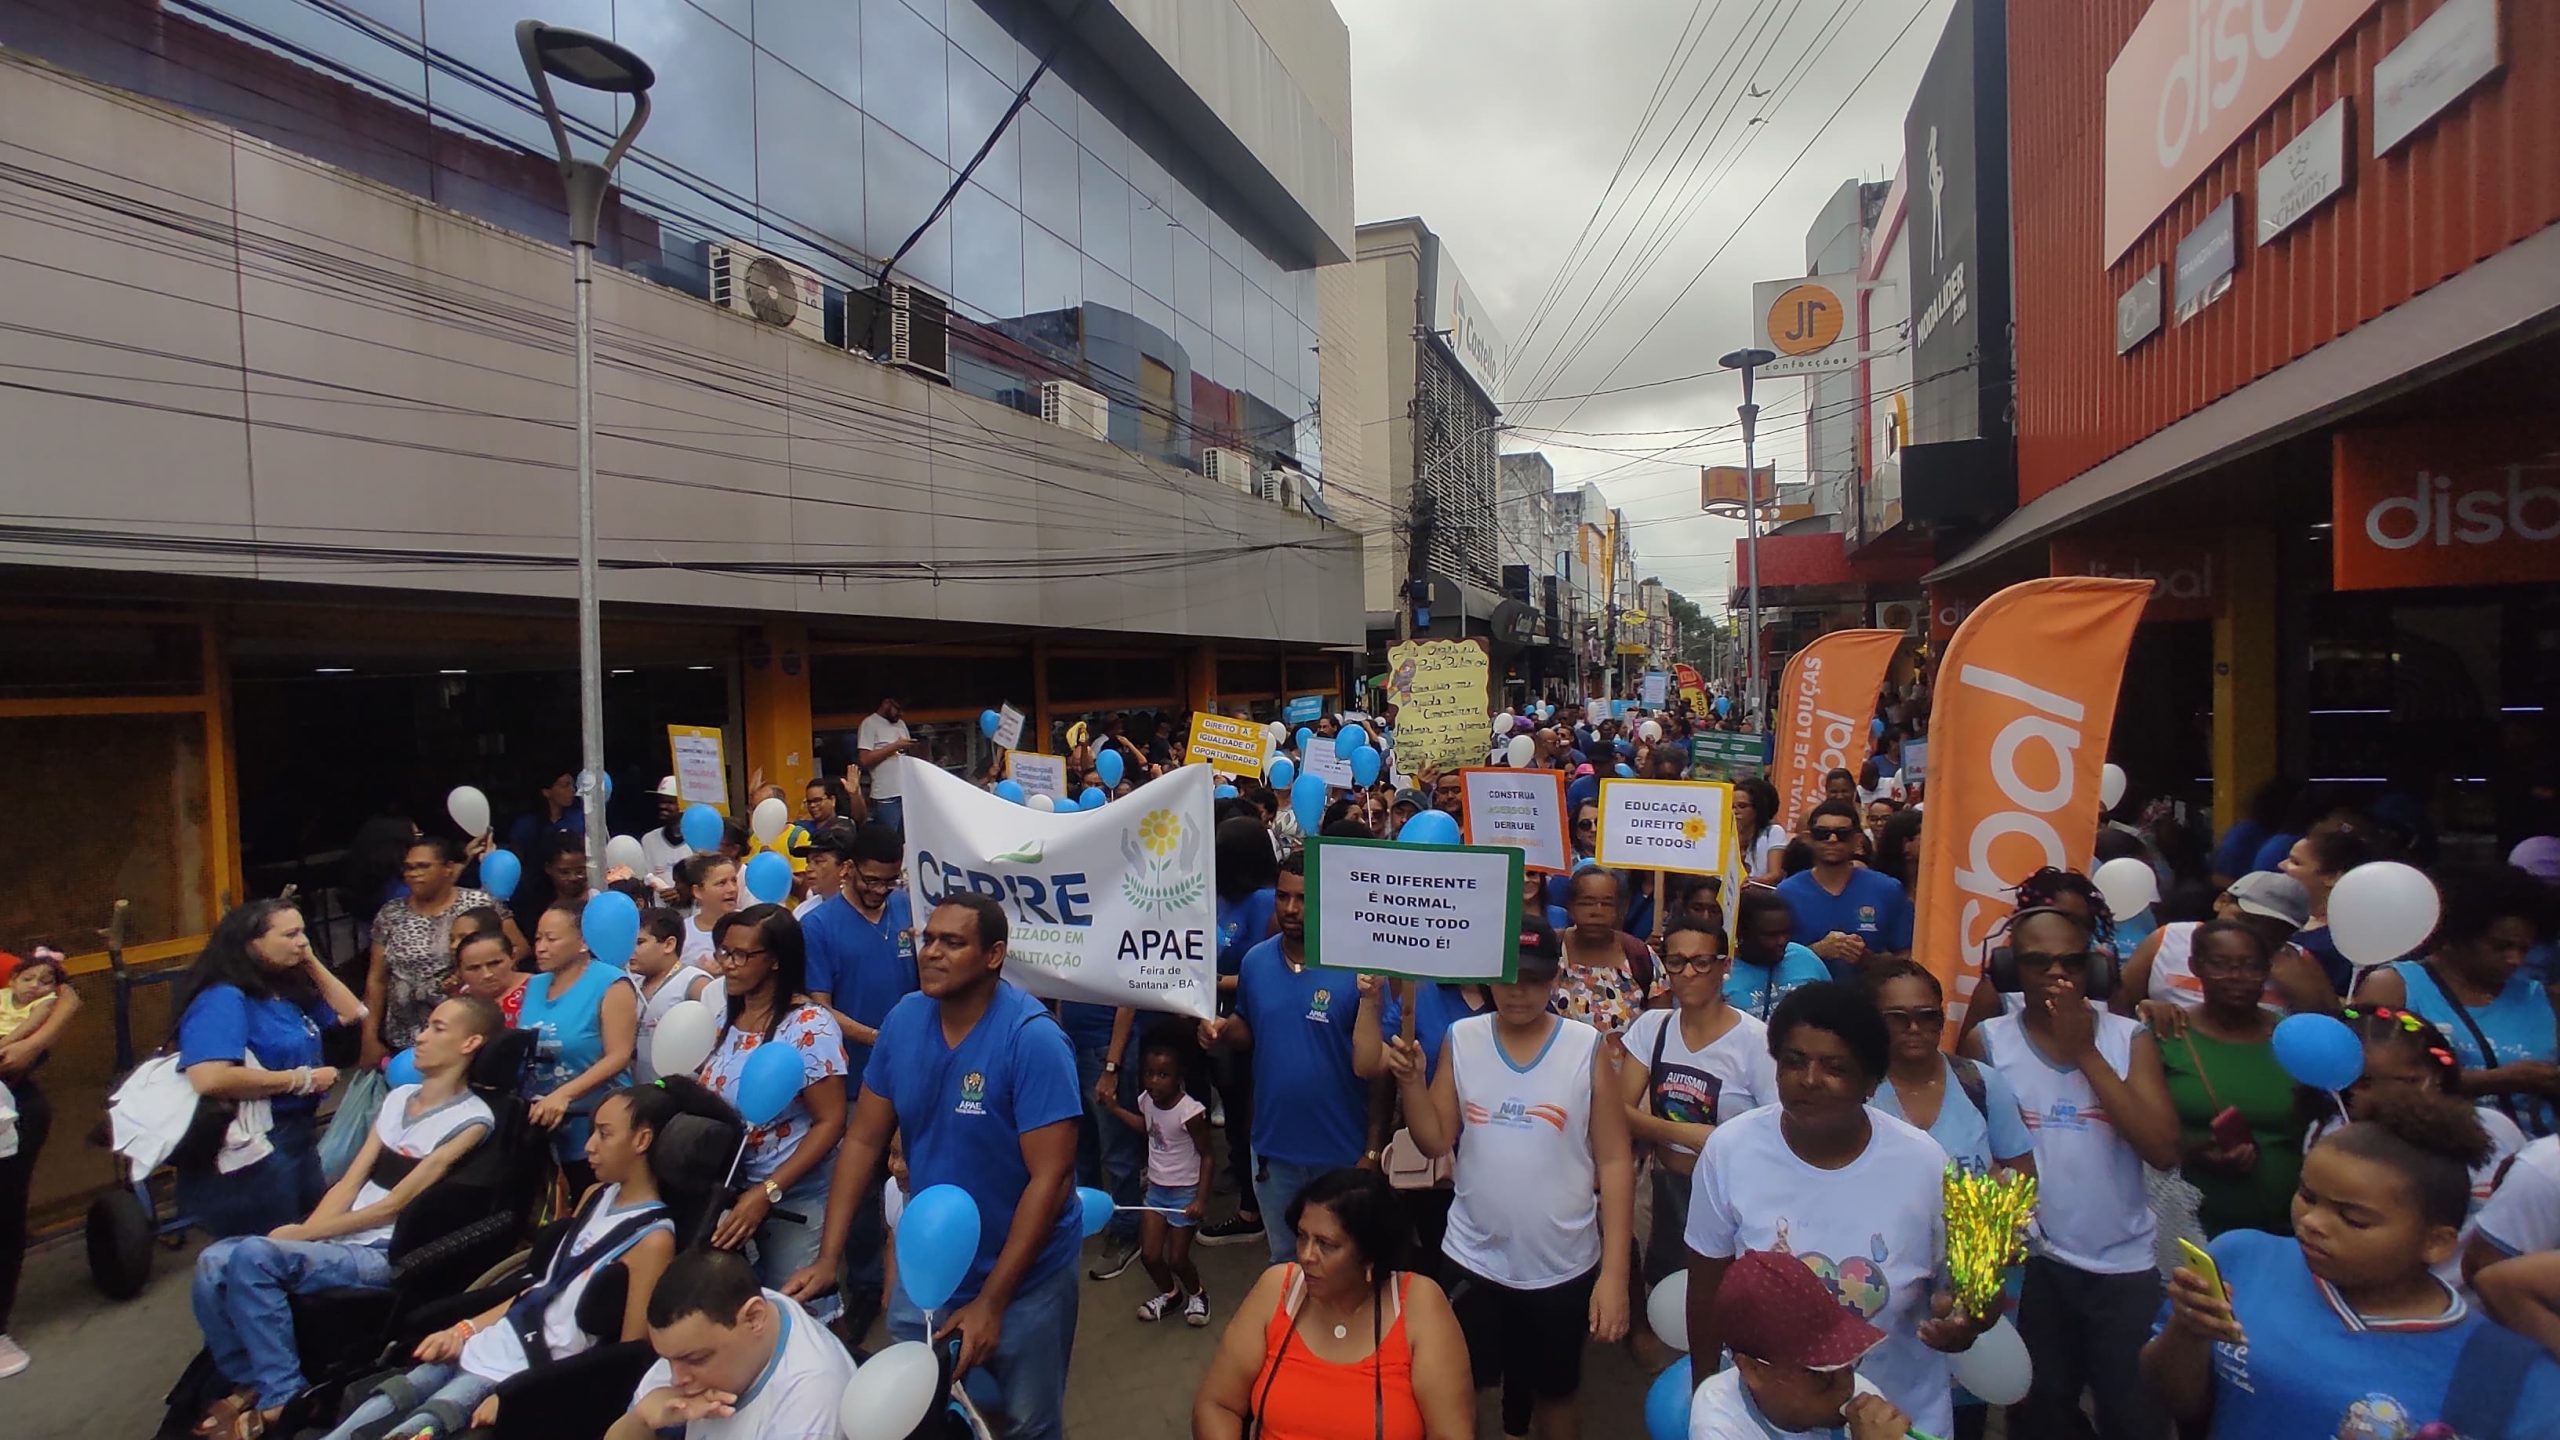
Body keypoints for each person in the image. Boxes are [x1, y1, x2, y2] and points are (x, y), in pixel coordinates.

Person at [784, 894, 1083, 1440]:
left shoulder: (1032, 1039)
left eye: (953, 942)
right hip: (931, 1276)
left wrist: (992, 1303)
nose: (932, 953)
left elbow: (1053, 1178)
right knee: (923, 1417)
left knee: (1024, 1423)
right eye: (928, 940)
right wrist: (830, 1259)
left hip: (1024, 1285)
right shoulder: (904, 1020)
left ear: (993, 955)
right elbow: (863, 1141)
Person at [2144, 1086, 2560, 1438]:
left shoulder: (2507, 1373)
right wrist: (2188, 1330)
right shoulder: (2240, 1256)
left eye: (2353, 1218)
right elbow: (2175, 1400)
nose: (2313, 1223)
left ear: (2436, 1243)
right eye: (2307, 1196)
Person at [189, 997, 499, 1440]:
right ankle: (251, 1380)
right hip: (342, 1237)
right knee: (213, 1261)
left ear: (470, 1042)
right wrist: (302, 1238)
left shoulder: (473, 1120)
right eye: (426, 1025)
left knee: (256, 1255)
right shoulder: (399, 1098)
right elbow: (351, 1182)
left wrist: (303, 1234)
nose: (421, 1036)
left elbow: (394, 1205)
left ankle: (284, 1397)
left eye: (437, 1028)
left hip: (381, 1251)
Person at [317, 1081, 698, 1440]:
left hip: (529, 1370)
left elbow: (625, 1357)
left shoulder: (653, 1238)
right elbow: (539, 1288)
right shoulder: (596, 1196)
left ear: (642, 1140)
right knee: (396, 1393)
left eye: (605, 1133)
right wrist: (463, 1329)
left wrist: (520, 1395)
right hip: (496, 1337)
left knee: (429, 1418)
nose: (591, 1146)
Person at [1683, 983, 1983, 1440]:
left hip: (1897, 1419)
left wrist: (1965, 1322)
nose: (1809, 1079)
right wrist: (1707, 1395)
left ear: (1870, 1082)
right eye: (1794, 1061)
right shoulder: (1731, 1150)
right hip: (1773, 1422)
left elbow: (1960, 1292)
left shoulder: (1925, 1164)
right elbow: (1707, 1291)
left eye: (1835, 1067)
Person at [1384, 921, 1632, 1440]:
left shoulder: (1585, 1047)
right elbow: (1435, 1140)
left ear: (1555, 979)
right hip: (1474, 1256)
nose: (1520, 992)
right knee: (1456, 1386)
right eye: (1509, 977)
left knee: (1557, 1394)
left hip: (1562, 1265)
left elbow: (1613, 1160)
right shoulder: (1463, 1038)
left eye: (1536, 979)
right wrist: (1411, 1082)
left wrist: (1613, 1276)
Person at [1963, 904, 2182, 1440]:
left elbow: (2161, 1148)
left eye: (2072, 963)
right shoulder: (1988, 1042)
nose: (2058, 976)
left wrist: (2085, 1051)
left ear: (2096, 970)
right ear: (2013, 970)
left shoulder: (2128, 1039)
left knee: (2134, 1414)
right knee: (2042, 1415)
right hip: (2036, 1266)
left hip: (2125, 1267)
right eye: (2039, 963)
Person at [1191, 1167, 1474, 1440]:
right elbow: (1218, 1404)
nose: (1306, 1256)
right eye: (1302, 1237)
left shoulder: (1419, 1304)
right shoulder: (1278, 1289)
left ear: (1370, 1254)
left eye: (1326, 1244)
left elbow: (1450, 1432)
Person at [1200, 854, 1382, 1263]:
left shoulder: (1359, 972)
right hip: (1273, 1153)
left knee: (1343, 1268)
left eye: (1303, 898)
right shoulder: (1255, 962)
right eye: (1282, 896)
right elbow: (1250, 1028)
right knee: (1286, 1261)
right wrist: (1224, 1031)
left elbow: (1378, 1074)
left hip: (1342, 1155)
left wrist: (1372, 1149)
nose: (1290, 909)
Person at [2284, 1007, 2520, 1290]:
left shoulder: (2496, 1131)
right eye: (2364, 1082)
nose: (2380, 1096)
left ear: (2434, 1076)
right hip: (2357, 1294)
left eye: (2405, 1081)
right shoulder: (2331, 1134)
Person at [175, 899, 369, 1239]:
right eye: (290, 934)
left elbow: (353, 1012)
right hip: (259, 1143)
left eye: (304, 934)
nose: (302, 942)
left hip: (300, 1136)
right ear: (251, 943)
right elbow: (209, 1077)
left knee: (310, 1236)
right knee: (271, 1245)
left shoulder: (283, 991)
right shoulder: (223, 998)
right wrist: (302, 1079)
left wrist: (309, 960)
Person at [696, 905, 849, 1321]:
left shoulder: (808, 1026)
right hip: (730, 1191)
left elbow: (831, 1121)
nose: (728, 964)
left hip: (794, 1197)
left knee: (795, 1313)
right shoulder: (724, 1014)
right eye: (724, 952)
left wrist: (767, 1193)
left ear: (776, 960)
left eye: (742, 955)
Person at [1618, 915, 1774, 1302]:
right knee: (1667, 1288)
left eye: (1701, 962)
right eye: (1676, 962)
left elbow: (1777, 1130)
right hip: (1665, 1190)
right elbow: (1616, 1111)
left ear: (1725, 966)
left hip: (1733, 1198)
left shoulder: (1756, 1043)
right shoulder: (1652, 1027)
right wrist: (1683, 1134)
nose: (1688, 973)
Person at [2356, 864, 2560, 1138]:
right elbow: (2374, 1082)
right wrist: (2498, 1081)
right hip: (2429, 1153)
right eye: (2501, 946)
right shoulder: (2395, 987)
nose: (2515, 960)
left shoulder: (2543, 998)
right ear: (2456, 935)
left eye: (2524, 948)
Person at [610, 1249, 853, 1440]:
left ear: (755, 1318)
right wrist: (641, 1419)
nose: (675, 1379)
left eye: (696, 1359)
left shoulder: (810, 1409)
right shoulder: (697, 1335)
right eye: (667, 1359)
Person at [2158, 921, 2302, 1237]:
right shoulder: (2168, 1033)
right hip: (2189, 1227)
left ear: (2267, 970)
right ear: (2195, 966)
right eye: (2220, 965)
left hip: (2283, 1228)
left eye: (2250, 966)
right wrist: (2196, 1153)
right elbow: (2142, 1136)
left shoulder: (2292, 1039)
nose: (2236, 977)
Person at [1689, 1250, 1915, 1440]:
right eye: (1819, 1375)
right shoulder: (1721, 1424)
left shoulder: (1862, 1399)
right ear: (1754, 1370)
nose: (1844, 1387)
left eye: (1848, 1362)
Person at [1865, 961, 2034, 1179]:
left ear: (1941, 1019)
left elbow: (2023, 1173)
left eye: (1927, 1016)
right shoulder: (1856, 1089)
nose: (1914, 1028)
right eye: (1897, 1018)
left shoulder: (1981, 1083)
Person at [364, 836, 519, 1069]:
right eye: (408, 867)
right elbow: (376, 979)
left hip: (462, 1035)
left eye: (423, 866)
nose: (413, 874)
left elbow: (517, 947)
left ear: (448, 868)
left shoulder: (478, 903)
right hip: (404, 1039)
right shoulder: (391, 913)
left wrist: (472, 973)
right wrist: (369, 1037)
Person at [1199, 817, 1281, 1250]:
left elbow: (1263, 969)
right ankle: (1240, 1172)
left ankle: (1253, 1207)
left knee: (1250, 1111)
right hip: (1216, 1021)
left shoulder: (1268, 902)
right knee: (1233, 1108)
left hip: (1251, 1022)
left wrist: (1210, 981)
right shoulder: (1220, 897)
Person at [516, 903, 637, 1191]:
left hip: (592, 1123)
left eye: (552, 939)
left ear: (583, 942)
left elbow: (619, 1055)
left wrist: (564, 1095)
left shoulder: (610, 982)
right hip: (542, 1125)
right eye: (537, 939)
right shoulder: (535, 985)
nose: (541, 948)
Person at [0, 950, 80, 1379]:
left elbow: (67, 996)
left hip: (9, 1103)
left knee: (4, 1215)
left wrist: (30, 1045)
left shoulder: (8, 966)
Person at [1098, 1028, 1213, 1326]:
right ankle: (1170, 1294)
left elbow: (1208, 1155)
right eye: (1149, 1073)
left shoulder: (1190, 1113)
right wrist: (1114, 1109)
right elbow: (1148, 1128)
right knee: (1150, 1255)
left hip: (1184, 1194)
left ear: (1179, 1076)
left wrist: (1200, 1199)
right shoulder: (1146, 1101)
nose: (1153, 1081)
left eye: (1163, 1075)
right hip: (1156, 1191)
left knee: (1177, 1258)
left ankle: (1197, 1294)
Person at [2114, 870, 2317, 1031]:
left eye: (2273, 930)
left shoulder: (2298, 961)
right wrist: (2145, 1009)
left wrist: (2306, 993)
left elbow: (2329, 1025)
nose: (2253, 934)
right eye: (2246, 920)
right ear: (2222, 901)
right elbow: (2119, 1004)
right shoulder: (2168, 937)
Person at [1775, 800, 1913, 981]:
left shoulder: (1888, 889)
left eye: (1842, 834)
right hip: (1805, 1000)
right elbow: (1773, 961)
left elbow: (1906, 958)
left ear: (1857, 840)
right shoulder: (1786, 893)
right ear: (1809, 838)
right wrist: (1817, 951)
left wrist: (1866, 958)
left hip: (1870, 1001)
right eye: (1822, 833)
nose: (1832, 839)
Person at [1555, 867, 1653, 1036]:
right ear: (1570, 906)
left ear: (1621, 909)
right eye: (1586, 902)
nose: (1597, 912)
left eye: (1607, 904)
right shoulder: (1549, 948)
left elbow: (1658, 1029)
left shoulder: (1640, 956)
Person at [2277, 825, 2374, 993]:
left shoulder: (2340, 942)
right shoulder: (2283, 915)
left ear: (2331, 876)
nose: (2281, 865)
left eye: (2295, 862)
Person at [627, 909, 718, 1086]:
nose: (631, 950)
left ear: (669, 944)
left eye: (639, 942)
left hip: (682, 1094)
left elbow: (717, 1040)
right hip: (642, 1090)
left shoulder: (694, 982)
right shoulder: (633, 983)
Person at [1726, 890, 1830, 1022]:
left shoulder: (1805, 958)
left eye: (1785, 933)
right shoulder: (1723, 974)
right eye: (1771, 935)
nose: (1781, 941)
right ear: (1741, 933)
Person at [856, 695, 917, 833]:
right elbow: (864, 760)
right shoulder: (869, 724)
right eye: (898, 709)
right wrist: (894, 746)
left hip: (906, 792)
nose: (900, 714)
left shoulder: (901, 724)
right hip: (886, 795)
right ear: (886, 703)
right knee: (890, 837)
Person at [675, 854, 741, 971]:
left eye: (734, 881)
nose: (732, 889)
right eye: (721, 883)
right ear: (698, 891)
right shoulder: (682, 932)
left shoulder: (750, 924)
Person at [451, 929, 529, 1028]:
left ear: (513, 957)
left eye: (495, 964)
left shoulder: (540, 989)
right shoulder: (460, 1000)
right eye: (474, 968)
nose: (487, 975)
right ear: (460, 971)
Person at [1733, 778, 1789, 885]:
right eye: (1732, 807)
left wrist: (1747, 883)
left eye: (1742, 806)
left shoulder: (1774, 832)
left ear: (1758, 808)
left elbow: (1774, 875)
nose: (1735, 811)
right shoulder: (1724, 833)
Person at [640, 779, 693, 892]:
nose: (663, 806)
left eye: (670, 802)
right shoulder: (649, 840)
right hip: (658, 908)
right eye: (661, 801)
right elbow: (645, 878)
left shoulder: (697, 841)